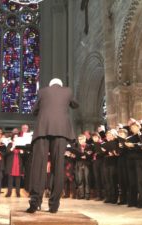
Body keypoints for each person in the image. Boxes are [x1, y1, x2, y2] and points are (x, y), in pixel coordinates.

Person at [26, 78, 79, 213]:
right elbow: (75, 104)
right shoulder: (68, 91)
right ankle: (54, 205)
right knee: (58, 166)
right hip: (61, 131)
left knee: (39, 165)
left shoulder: (42, 91)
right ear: (61, 85)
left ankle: (34, 202)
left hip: (43, 130)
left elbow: (34, 111)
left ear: (50, 85)